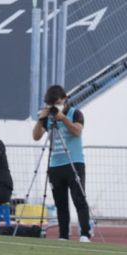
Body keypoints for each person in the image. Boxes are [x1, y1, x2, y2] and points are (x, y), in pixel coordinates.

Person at [32, 85, 92, 243]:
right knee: (60, 203)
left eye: (58, 103)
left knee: (79, 198)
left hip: (74, 162)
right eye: (52, 104)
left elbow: (77, 131)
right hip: (55, 165)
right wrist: (41, 119)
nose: (55, 106)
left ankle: (85, 233)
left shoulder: (75, 113)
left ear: (64, 99)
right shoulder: (49, 117)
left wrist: (63, 119)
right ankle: (63, 235)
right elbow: (36, 136)